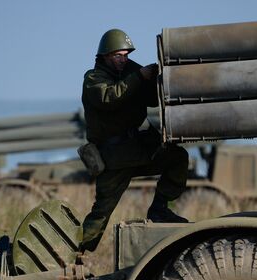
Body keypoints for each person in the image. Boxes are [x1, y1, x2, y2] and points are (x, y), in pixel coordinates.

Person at [79, 29, 189, 253]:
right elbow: (109, 97)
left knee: (177, 158)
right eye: (118, 56)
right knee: (100, 215)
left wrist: (154, 77)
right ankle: (71, 254)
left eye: (126, 56)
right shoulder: (93, 78)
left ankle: (159, 209)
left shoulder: (127, 75)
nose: (123, 60)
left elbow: (150, 99)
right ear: (105, 56)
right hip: (114, 158)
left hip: (138, 150)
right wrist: (139, 76)